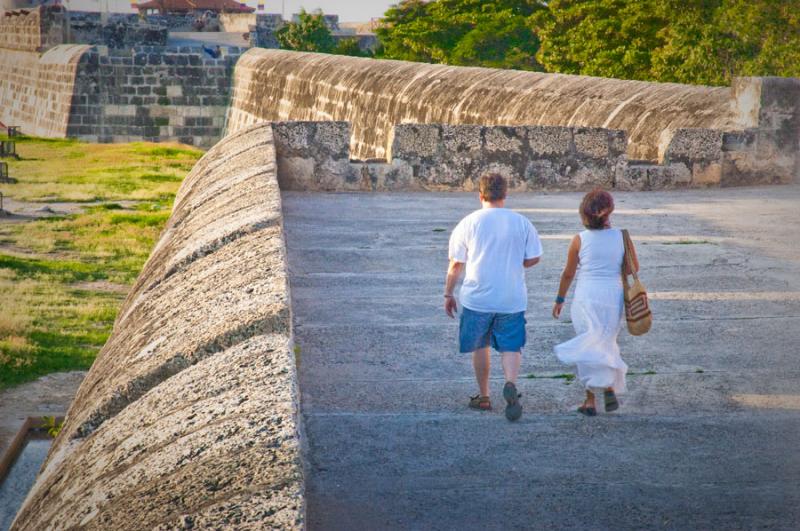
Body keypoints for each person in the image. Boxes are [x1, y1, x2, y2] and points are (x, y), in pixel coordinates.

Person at [444, 173, 543, 421]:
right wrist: (514, 263)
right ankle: (510, 383)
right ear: (505, 195)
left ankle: (484, 396)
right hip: (511, 297)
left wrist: (448, 293)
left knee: (481, 345)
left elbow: (456, 264)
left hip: (477, 298)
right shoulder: (521, 222)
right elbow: (534, 257)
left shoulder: (468, 223)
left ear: (480, 195)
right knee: (511, 344)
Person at [552, 189, 639, 416]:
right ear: (609, 212)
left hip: (586, 296)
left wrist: (560, 299)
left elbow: (568, 274)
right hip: (612, 295)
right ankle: (609, 387)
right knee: (606, 341)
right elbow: (633, 269)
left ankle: (590, 400)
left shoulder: (579, 240)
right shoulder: (622, 236)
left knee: (587, 343)